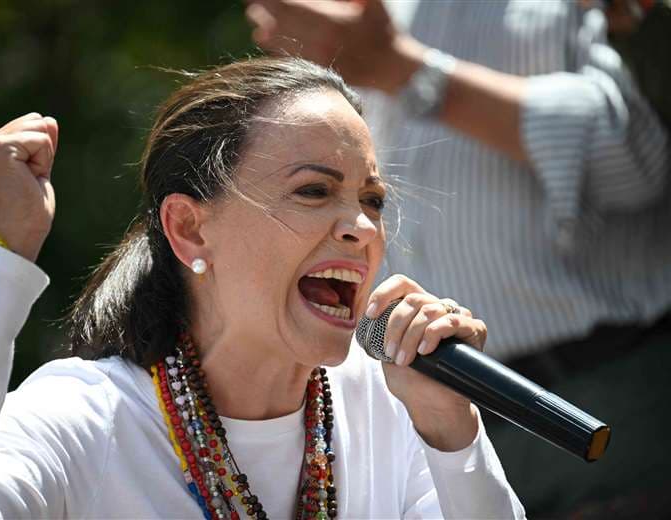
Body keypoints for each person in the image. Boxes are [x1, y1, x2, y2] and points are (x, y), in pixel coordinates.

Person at [0, 58, 524, 519]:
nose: (362, 228)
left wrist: (452, 431)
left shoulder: (392, 406)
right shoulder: (83, 419)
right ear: (189, 228)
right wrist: (5, 261)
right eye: (314, 190)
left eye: (372, 200)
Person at [243, 0, 671, 515]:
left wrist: (402, 69)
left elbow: (637, 167)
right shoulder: (368, 13)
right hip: (432, 425)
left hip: (596, 403)